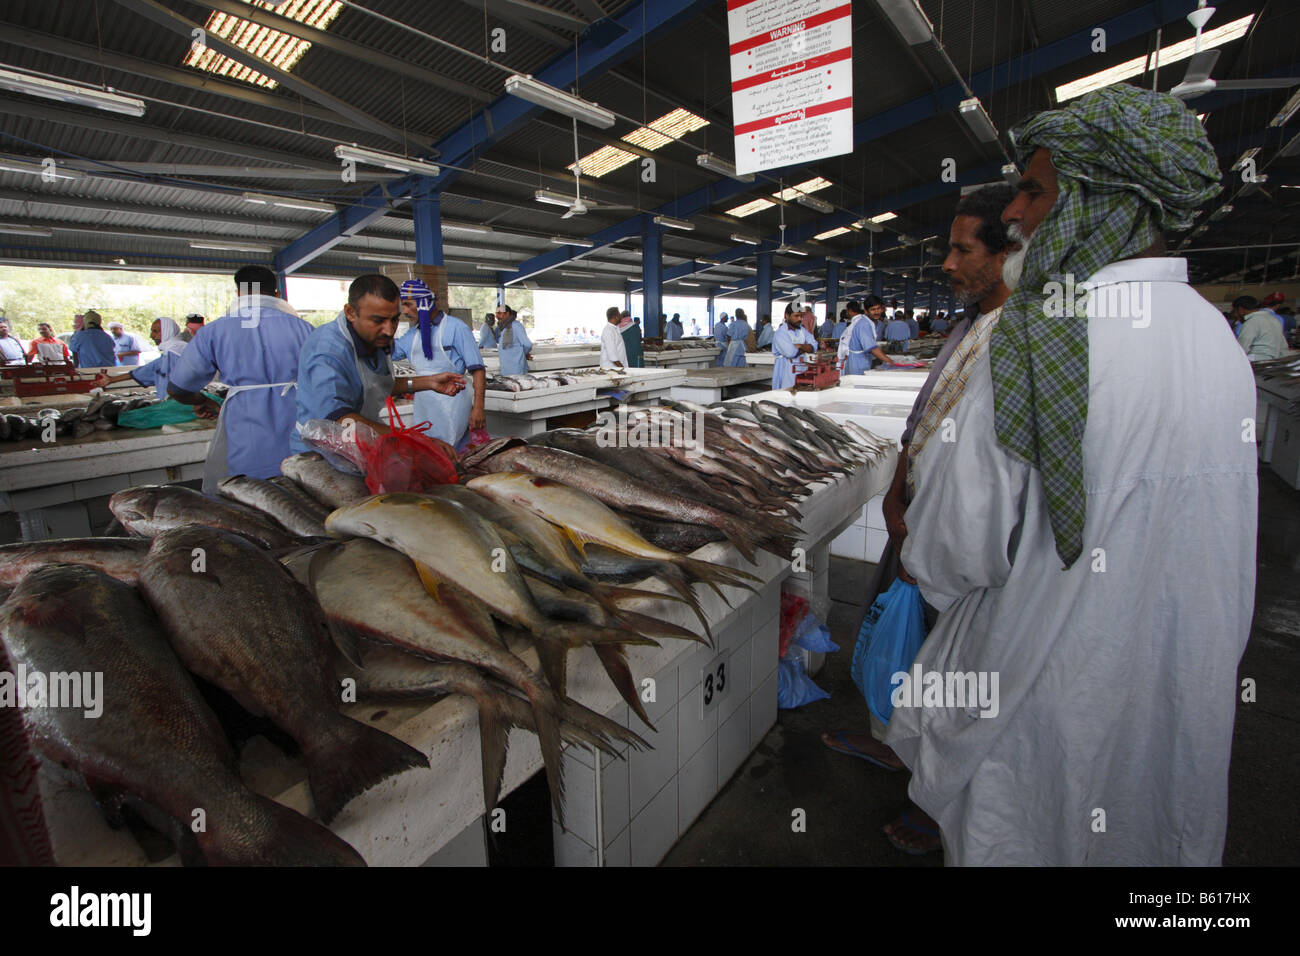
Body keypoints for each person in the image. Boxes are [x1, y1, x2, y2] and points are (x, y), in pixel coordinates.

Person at [882, 85, 1252, 866]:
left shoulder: (1042, 339)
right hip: (1169, 687)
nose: (1015, 213)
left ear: (1100, 199)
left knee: (1025, 832)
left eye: (1035, 190)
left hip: (1035, 695)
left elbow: (953, 551)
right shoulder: (1215, 338)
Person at [823, 184, 1018, 800]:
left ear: (1009, 249)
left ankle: (937, 796)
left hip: (965, 537)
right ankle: (891, 739)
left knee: (955, 665)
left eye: (962, 250)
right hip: (918, 512)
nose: (948, 264)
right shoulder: (969, 323)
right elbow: (927, 415)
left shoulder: (1018, 336)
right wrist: (898, 488)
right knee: (899, 633)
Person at [168, 266, 313, 492]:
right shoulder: (306, 329)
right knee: (302, 508)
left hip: (247, 446)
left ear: (238, 293)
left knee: (253, 503)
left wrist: (202, 401)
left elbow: (178, 388)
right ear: (276, 294)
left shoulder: (215, 331)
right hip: (301, 445)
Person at [293, 275, 464, 458]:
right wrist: (413, 439)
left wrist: (429, 382)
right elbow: (338, 418)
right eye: (378, 320)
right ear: (351, 312)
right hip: (321, 453)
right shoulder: (328, 351)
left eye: (394, 319)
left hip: (361, 443)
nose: (389, 330)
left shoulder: (376, 338)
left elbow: (377, 385)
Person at [390, 279, 485, 451]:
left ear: (423, 303)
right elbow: (388, 353)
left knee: (455, 451)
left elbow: (477, 369)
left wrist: (478, 408)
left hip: (453, 399)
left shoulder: (456, 328)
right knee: (428, 449)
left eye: (407, 304)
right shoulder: (411, 335)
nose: (404, 311)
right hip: (425, 403)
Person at [95, 317, 187, 400]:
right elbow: (145, 370)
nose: (151, 336)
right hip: (167, 405)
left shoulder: (178, 352)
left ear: (168, 331)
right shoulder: (167, 353)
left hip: (178, 406)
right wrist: (111, 379)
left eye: (155, 331)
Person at [843, 298, 895, 374]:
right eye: (873, 309)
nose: (876, 312)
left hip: (863, 361)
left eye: (878, 309)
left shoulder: (872, 323)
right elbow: (872, 348)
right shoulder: (864, 325)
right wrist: (890, 361)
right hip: (857, 363)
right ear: (866, 311)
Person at [770, 305, 816, 388]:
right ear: (786, 316)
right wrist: (806, 348)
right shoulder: (781, 333)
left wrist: (799, 346)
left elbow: (814, 346)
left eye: (801, 316)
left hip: (802, 369)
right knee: (786, 395)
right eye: (796, 316)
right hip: (786, 370)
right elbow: (790, 353)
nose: (800, 319)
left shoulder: (802, 330)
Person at [1236, 295, 1287, 362]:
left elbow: (1243, 346)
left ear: (1240, 310)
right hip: (1274, 359)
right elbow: (1283, 345)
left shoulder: (1251, 321)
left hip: (1256, 359)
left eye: (1235, 311)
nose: (1235, 315)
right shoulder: (1274, 320)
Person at [496, 305, 533, 376]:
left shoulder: (516, 326)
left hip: (516, 368)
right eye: (496, 313)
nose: (497, 316)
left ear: (507, 314)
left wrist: (523, 353)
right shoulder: (504, 327)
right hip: (506, 368)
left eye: (500, 313)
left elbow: (527, 344)